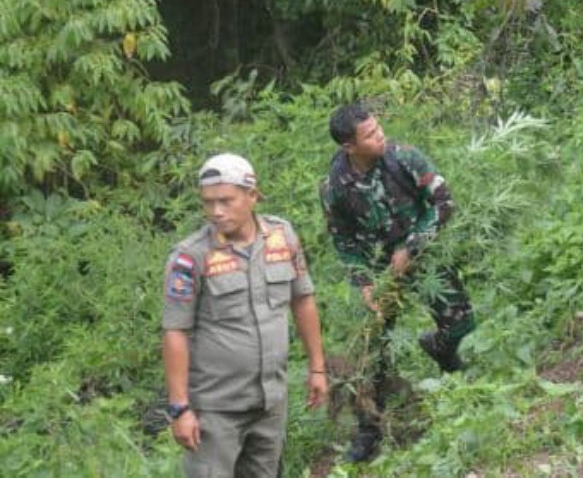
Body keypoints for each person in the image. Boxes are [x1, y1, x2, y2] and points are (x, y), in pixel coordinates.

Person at [320, 102, 476, 464]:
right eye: (370, 135)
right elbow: (343, 241)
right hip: (379, 270)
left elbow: (443, 203)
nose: (381, 136)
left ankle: (442, 351)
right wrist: (364, 283)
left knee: (461, 323)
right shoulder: (335, 187)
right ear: (349, 147)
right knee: (372, 351)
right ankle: (368, 430)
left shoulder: (404, 158)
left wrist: (412, 247)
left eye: (378, 128)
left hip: (422, 254)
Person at [162, 153, 328, 478]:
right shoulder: (190, 256)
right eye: (208, 202)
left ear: (252, 196)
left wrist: (317, 368)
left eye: (226, 200)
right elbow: (174, 332)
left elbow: (303, 300)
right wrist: (180, 407)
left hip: (270, 403)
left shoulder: (282, 237)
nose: (216, 211)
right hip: (215, 409)